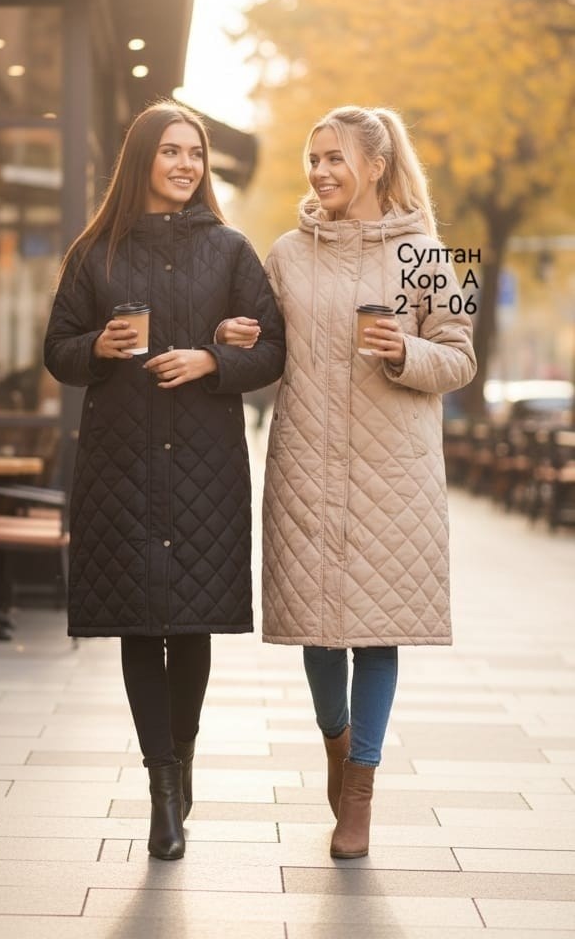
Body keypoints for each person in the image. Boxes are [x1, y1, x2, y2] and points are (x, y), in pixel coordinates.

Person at [44, 101, 285, 861]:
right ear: (142, 159)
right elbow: (57, 349)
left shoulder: (232, 250)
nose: (186, 165)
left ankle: (180, 759)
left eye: (196, 153)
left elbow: (273, 350)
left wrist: (214, 359)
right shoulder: (97, 252)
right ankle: (160, 788)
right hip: (121, 463)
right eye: (172, 151)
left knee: (194, 623)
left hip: (206, 466)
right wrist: (98, 346)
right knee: (141, 624)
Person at [262, 105, 476, 859]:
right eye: (313, 157)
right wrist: (234, 336)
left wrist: (405, 352)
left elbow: (461, 357)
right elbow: (264, 348)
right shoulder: (286, 253)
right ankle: (337, 743)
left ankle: (360, 790)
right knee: (317, 629)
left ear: (376, 166)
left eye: (335, 158)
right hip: (306, 465)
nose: (320, 171)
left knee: (377, 633)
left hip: (395, 472)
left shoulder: (431, 253)